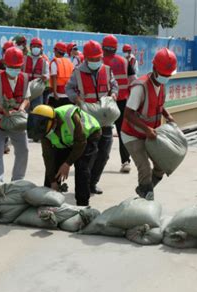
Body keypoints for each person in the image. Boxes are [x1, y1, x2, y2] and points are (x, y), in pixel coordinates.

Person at [121, 48, 177, 200]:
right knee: (144, 167)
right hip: (132, 134)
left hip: (149, 133)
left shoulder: (161, 84)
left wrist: (167, 115)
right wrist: (146, 129)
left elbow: (157, 104)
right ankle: (147, 196)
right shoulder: (140, 87)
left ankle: (144, 191)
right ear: (154, 69)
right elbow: (128, 114)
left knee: (161, 165)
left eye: (168, 75)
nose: (166, 77)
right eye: (164, 74)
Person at [66, 40, 119, 195]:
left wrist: (114, 94)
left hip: (104, 116)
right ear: (86, 58)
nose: (96, 61)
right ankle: (86, 183)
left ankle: (93, 182)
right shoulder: (77, 72)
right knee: (90, 153)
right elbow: (68, 88)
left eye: (98, 58)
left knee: (104, 153)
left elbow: (114, 85)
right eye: (93, 59)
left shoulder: (107, 70)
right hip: (88, 119)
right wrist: (76, 99)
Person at [27, 104, 101, 206]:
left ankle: (82, 205)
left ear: (54, 122)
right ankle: (49, 201)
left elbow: (81, 143)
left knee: (82, 168)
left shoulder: (70, 117)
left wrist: (67, 163)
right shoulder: (44, 130)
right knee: (55, 168)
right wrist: (52, 181)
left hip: (88, 137)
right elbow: (48, 157)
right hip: (67, 141)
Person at [0, 47, 31, 182]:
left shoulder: (24, 78)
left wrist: (22, 108)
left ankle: (18, 180)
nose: (15, 70)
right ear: (5, 65)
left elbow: (26, 98)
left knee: (23, 151)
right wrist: (4, 111)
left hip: (17, 122)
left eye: (17, 67)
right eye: (11, 67)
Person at [102, 35, 137, 174]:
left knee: (103, 132)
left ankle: (99, 160)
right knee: (123, 132)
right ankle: (126, 162)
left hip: (104, 102)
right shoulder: (124, 61)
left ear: (103, 47)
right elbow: (133, 81)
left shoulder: (99, 61)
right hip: (122, 101)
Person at [23, 37, 49, 110]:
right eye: (34, 46)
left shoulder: (44, 61)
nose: (36, 48)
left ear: (41, 48)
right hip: (25, 90)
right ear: (30, 47)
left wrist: (45, 77)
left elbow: (48, 74)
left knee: (36, 112)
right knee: (24, 111)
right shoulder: (24, 59)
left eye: (38, 47)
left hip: (37, 92)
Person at [48, 42, 74, 108]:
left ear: (57, 51)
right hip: (68, 95)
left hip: (57, 95)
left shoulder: (55, 62)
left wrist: (54, 93)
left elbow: (54, 78)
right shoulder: (69, 62)